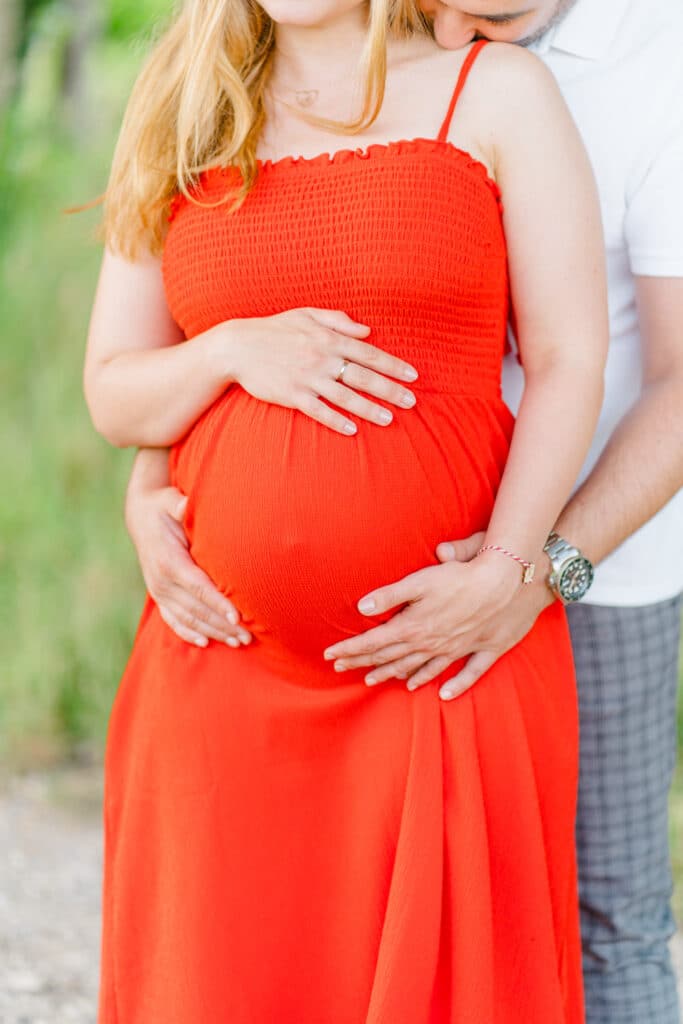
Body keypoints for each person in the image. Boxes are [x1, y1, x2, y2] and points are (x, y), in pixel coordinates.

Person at [85, 1, 608, 1020]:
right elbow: (114, 390)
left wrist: (506, 570)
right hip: (221, 668)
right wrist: (227, 350)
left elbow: (567, 360)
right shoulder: (184, 110)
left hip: (442, 662)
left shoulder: (496, 93)